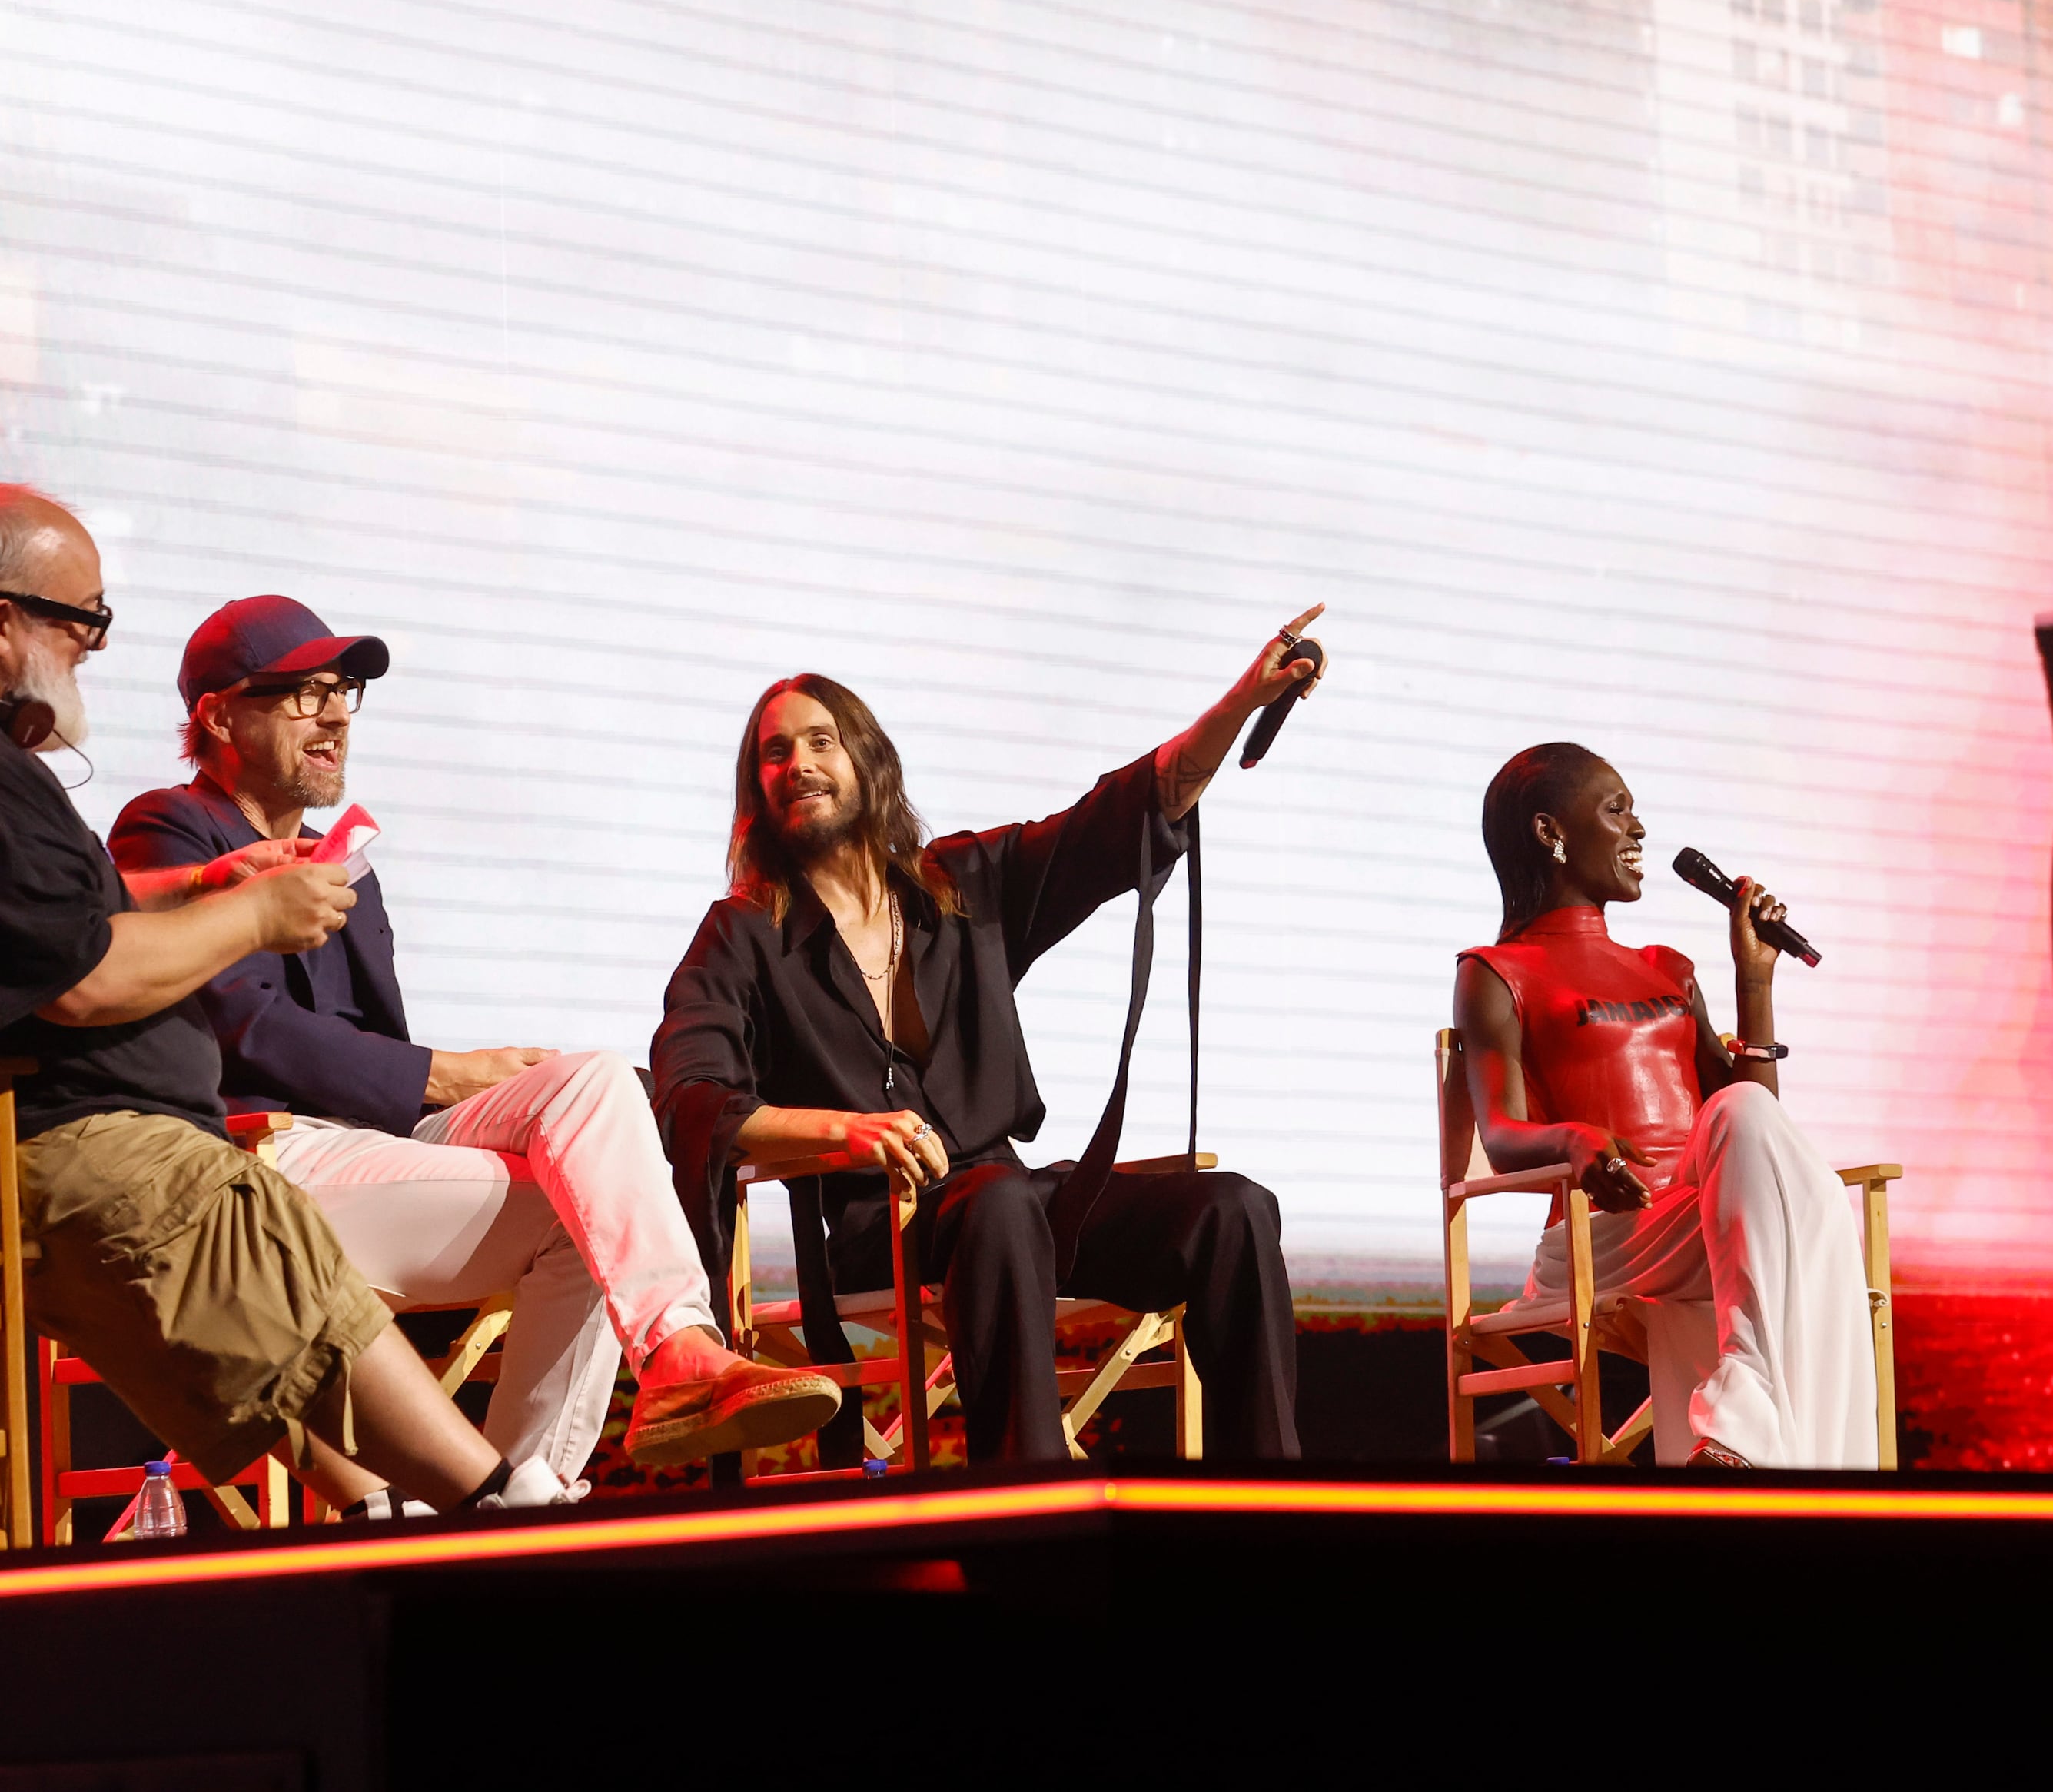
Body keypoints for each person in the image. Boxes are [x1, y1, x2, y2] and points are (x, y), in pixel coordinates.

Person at [0, 483, 514, 1513]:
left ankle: (373, 1505)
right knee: (208, 1200)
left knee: (177, 1205)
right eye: (83, 625)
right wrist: (257, 919)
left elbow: (48, 916)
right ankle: (493, 1496)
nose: (93, 653)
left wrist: (205, 884)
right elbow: (85, 979)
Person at [110, 597, 841, 1500]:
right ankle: (510, 1500)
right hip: (256, 1166)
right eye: (304, 693)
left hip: (366, 1152)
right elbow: (234, 1024)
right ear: (220, 715)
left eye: (343, 691)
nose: (337, 712)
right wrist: (444, 1074)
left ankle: (629, 1398)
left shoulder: (343, 861)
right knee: (587, 1196)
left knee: (595, 1098)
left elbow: (374, 1052)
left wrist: (464, 1083)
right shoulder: (172, 829)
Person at [651, 615, 1324, 1466]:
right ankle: (1026, 1494)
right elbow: (690, 1092)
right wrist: (843, 1131)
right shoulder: (743, 934)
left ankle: (1265, 1508)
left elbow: (1114, 821)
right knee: (998, 1206)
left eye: (820, 741)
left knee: (1234, 1210)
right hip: (882, 1222)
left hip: (1010, 1195)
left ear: (869, 763)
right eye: (774, 754)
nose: (798, 765)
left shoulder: (962, 884)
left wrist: (1242, 702)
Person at [1450, 743, 1877, 1468]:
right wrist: (1579, 1142)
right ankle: (1798, 1472)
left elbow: (1753, 1118)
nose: (1639, 829)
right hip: (1598, 1236)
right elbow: (1502, 1132)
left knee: (1758, 1132)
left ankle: (1742, 1436)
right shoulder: (1496, 973)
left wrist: (1755, 983)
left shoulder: (1667, 966)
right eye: (1617, 810)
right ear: (1551, 833)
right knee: (1816, 1213)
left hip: (1698, 1220)